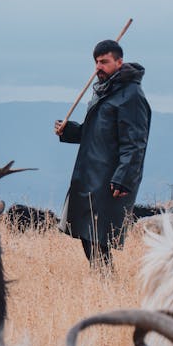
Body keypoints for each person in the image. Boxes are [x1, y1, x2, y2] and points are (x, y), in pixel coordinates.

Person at [54, 39, 151, 270]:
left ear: (119, 62)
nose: (99, 67)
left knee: (97, 234)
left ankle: (105, 279)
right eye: (96, 62)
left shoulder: (131, 96)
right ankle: (102, 278)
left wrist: (124, 177)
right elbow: (94, 132)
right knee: (86, 232)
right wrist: (68, 131)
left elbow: (135, 142)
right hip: (90, 173)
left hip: (110, 177)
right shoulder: (103, 90)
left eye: (104, 62)